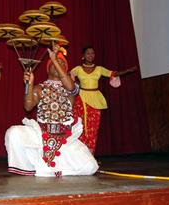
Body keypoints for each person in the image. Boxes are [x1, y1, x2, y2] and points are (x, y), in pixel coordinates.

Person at [5, 44, 99, 177]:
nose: (57, 64)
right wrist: (29, 84)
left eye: (61, 63)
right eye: (54, 63)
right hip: (41, 135)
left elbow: (70, 87)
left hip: (66, 139)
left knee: (91, 166)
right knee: (13, 133)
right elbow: (27, 106)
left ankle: (48, 170)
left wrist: (55, 59)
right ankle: (33, 168)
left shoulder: (71, 87)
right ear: (48, 68)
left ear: (65, 68)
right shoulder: (40, 88)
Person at [70, 46, 137, 154]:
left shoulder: (99, 69)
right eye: (88, 53)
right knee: (80, 126)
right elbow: (68, 77)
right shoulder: (77, 69)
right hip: (81, 100)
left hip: (95, 99)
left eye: (92, 53)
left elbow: (113, 74)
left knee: (93, 128)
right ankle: (81, 155)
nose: (90, 55)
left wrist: (127, 71)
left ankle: (90, 155)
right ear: (83, 56)